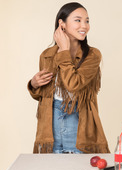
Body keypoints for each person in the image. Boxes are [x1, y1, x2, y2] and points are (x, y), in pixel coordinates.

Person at [27, 2, 110, 154]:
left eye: (87, 21)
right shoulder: (47, 55)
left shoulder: (92, 55)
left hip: (78, 121)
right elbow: (43, 95)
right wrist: (33, 84)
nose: (84, 26)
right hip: (50, 124)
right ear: (62, 24)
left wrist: (64, 50)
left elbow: (73, 85)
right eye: (78, 20)